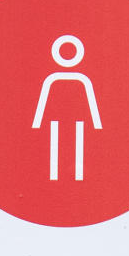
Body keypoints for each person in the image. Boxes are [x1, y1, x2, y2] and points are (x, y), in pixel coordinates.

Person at [31, 35, 101, 183]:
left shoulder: (81, 79)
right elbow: (44, 97)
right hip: (56, 117)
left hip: (77, 117)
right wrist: (38, 119)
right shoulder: (54, 78)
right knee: (55, 141)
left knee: (78, 141)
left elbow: (90, 97)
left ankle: (76, 172)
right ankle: (55, 172)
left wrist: (96, 120)